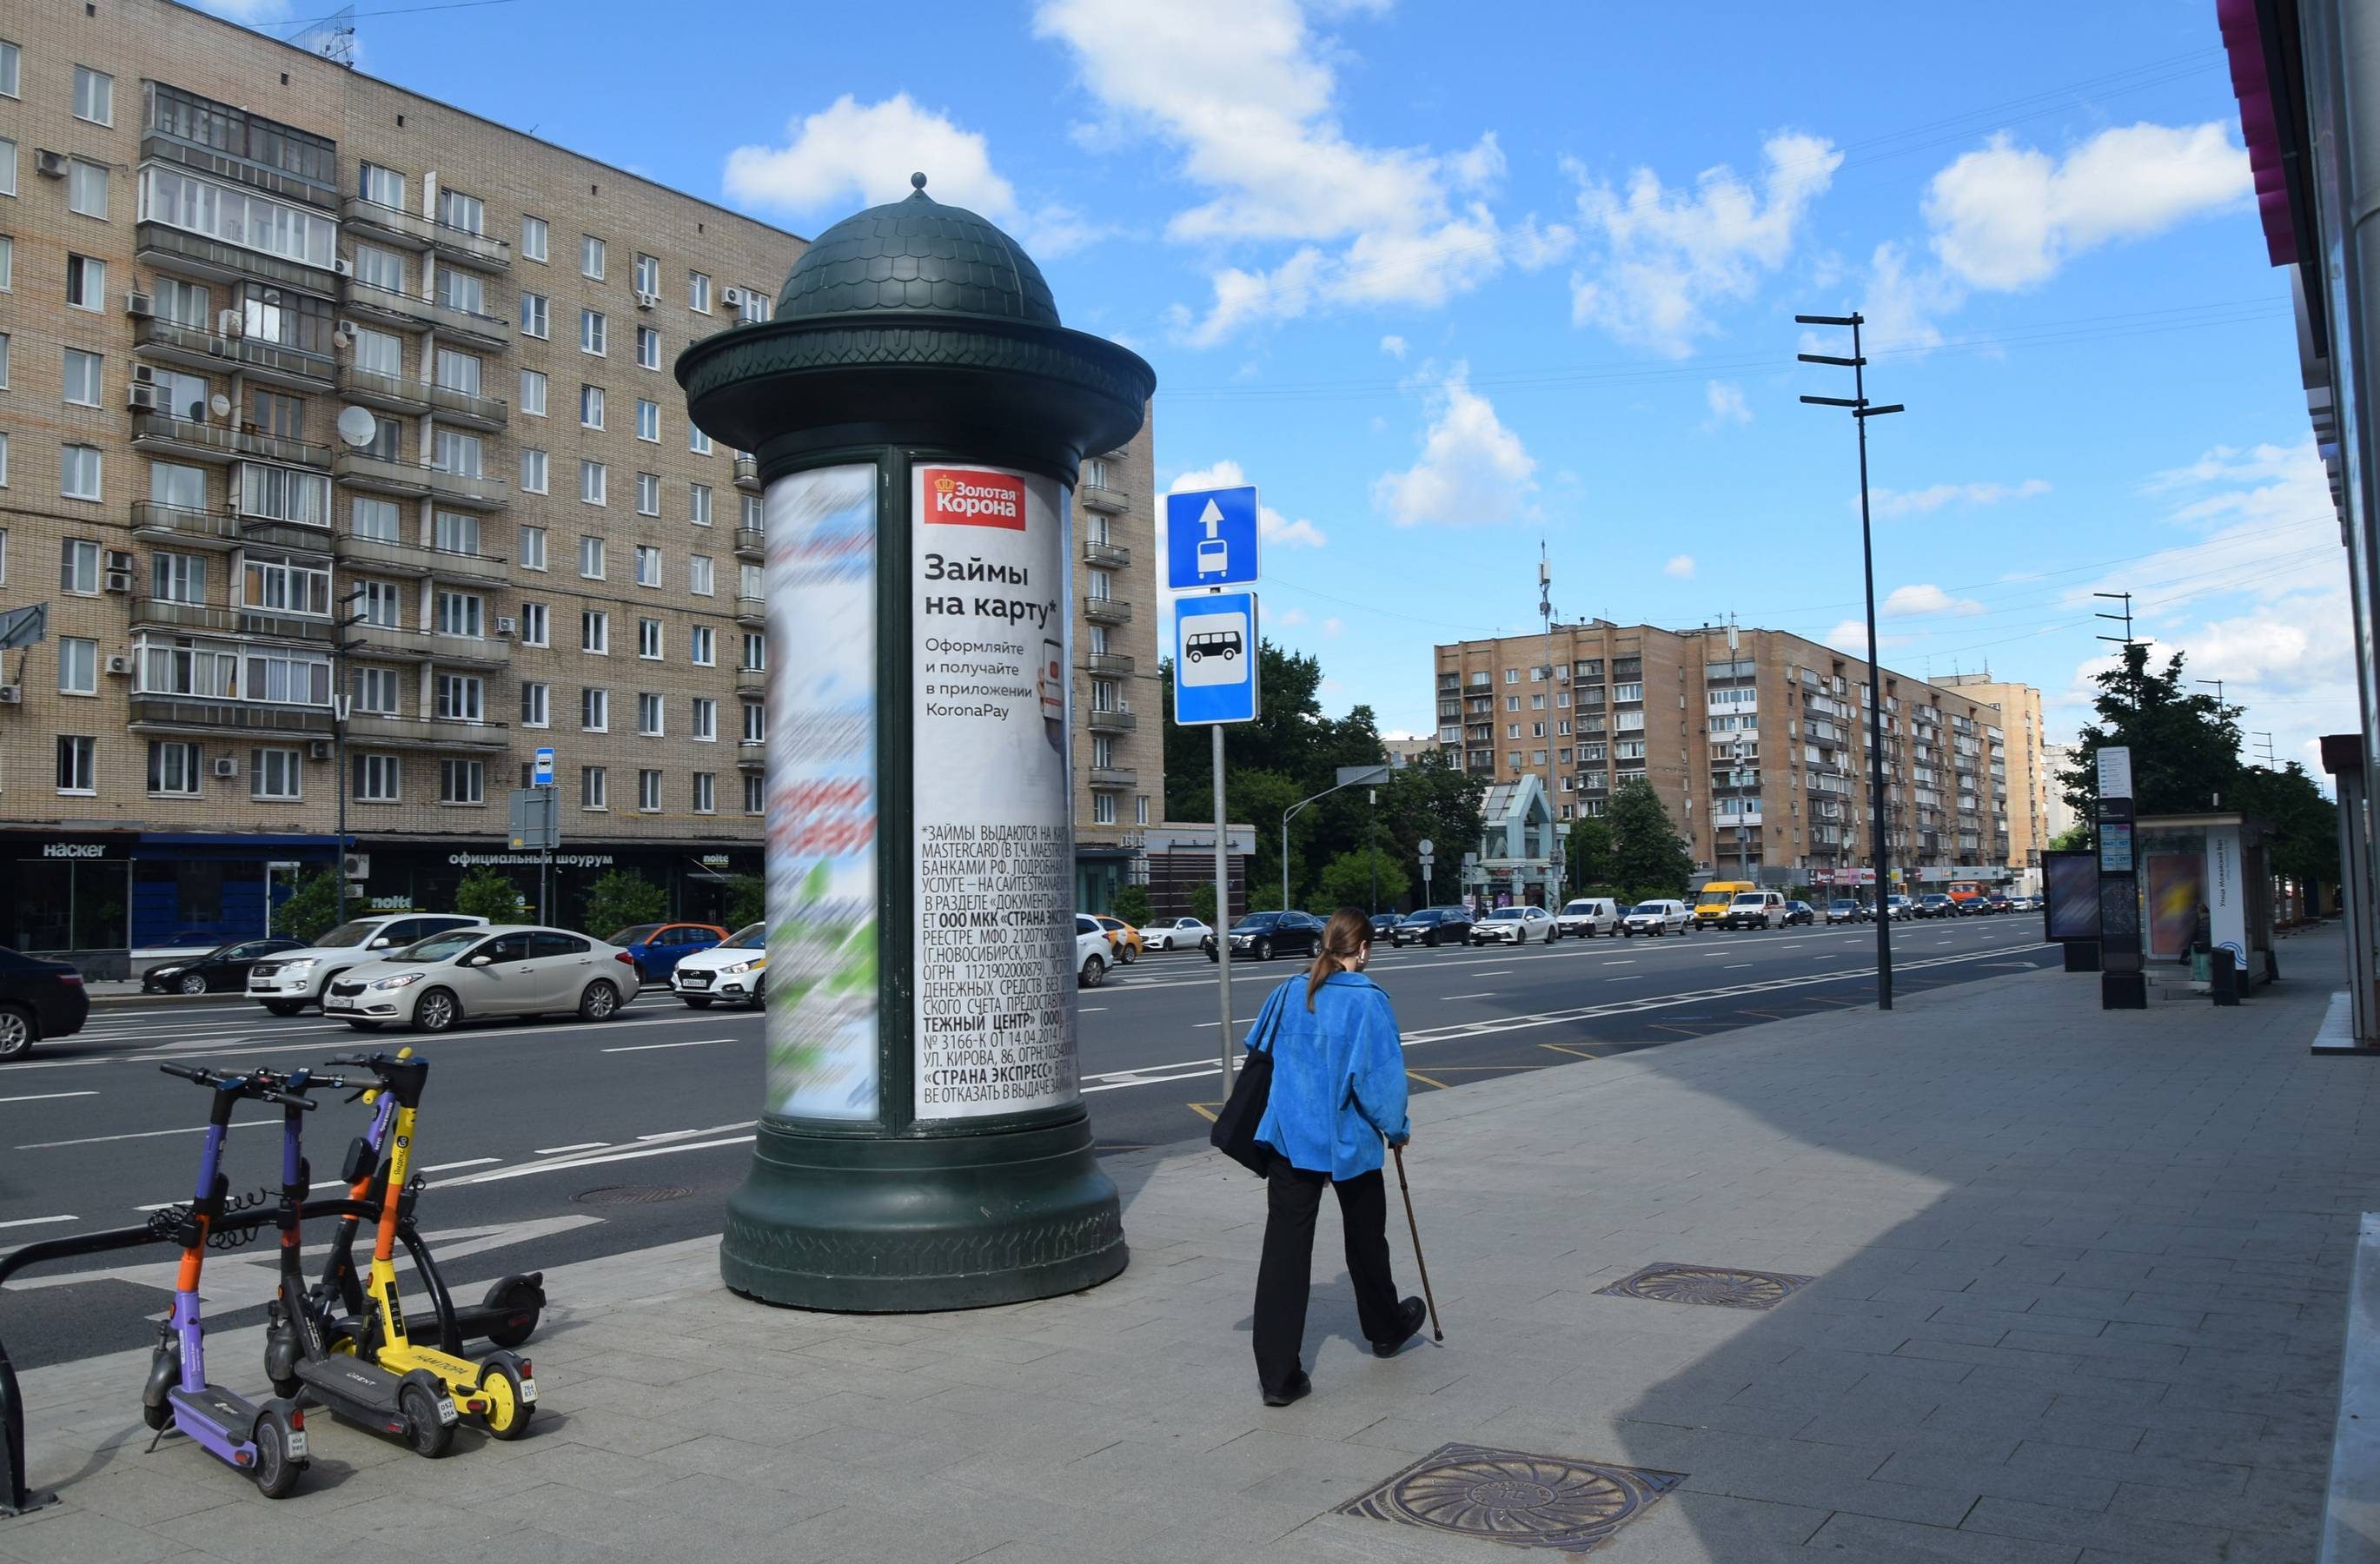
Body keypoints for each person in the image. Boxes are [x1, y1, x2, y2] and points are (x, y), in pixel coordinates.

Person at [1245, 907, 1427, 1407]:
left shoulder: (1288, 991)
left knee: (1284, 1251)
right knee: (1366, 1239)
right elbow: (1379, 1081)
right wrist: (1398, 1130)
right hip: (1350, 1140)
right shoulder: (1367, 1001)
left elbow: (1258, 1050)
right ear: (1363, 949)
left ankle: (1278, 1378)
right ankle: (1385, 1329)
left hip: (1289, 1139)